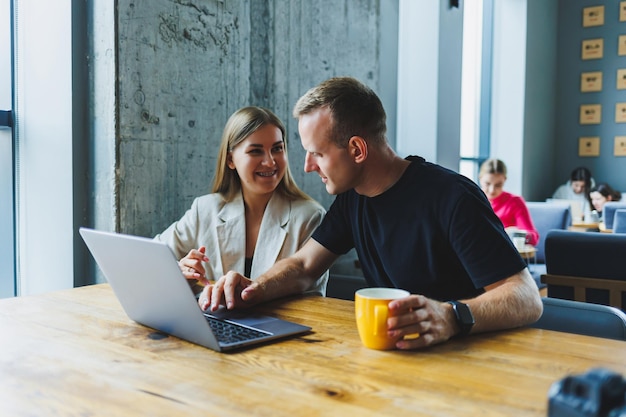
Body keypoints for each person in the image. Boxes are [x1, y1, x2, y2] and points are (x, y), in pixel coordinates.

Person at [199, 77, 542, 350]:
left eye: (316, 153)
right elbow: (304, 267)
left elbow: (526, 297)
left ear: (357, 149)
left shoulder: (453, 197)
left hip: (474, 359)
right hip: (402, 358)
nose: (306, 167)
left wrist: (450, 316)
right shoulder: (353, 198)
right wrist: (252, 289)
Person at [155, 106, 328, 296]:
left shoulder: (309, 217)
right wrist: (179, 271)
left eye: (277, 149)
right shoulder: (205, 209)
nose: (270, 162)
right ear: (231, 160)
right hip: (213, 321)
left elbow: (312, 299)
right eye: (255, 151)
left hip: (280, 324)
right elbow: (150, 257)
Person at [478, 158, 539, 246]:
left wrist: (514, 234)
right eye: (487, 184)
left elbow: (534, 238)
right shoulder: (473, 200)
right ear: (480, 178)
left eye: (498, 185)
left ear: (505, 180)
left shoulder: (515, 202)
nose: (492, 190)